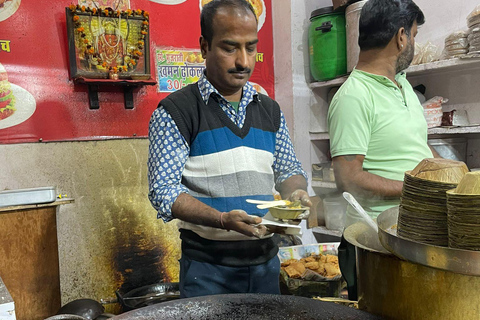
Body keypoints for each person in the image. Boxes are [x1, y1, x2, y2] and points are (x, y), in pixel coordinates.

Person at [147, 0, 311, 298]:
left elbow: (288, 170)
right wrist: (222, 220)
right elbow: (163, 193)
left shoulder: (270, 110)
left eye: (251, 47)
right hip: (208, 271)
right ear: (204, 46)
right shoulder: (177, 111)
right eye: (229, 47)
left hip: (265, 266)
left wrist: (296, 194)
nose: (243, 61)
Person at [328, 0, 440, 300]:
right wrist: (418, 190)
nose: (413, 44)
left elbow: (417, 146)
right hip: (375, 244)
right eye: (414, 36)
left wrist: (453, 176)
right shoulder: (354, 96)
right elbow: (349, 179)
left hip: (412, 237)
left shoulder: (403, 85)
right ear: (401, 37)